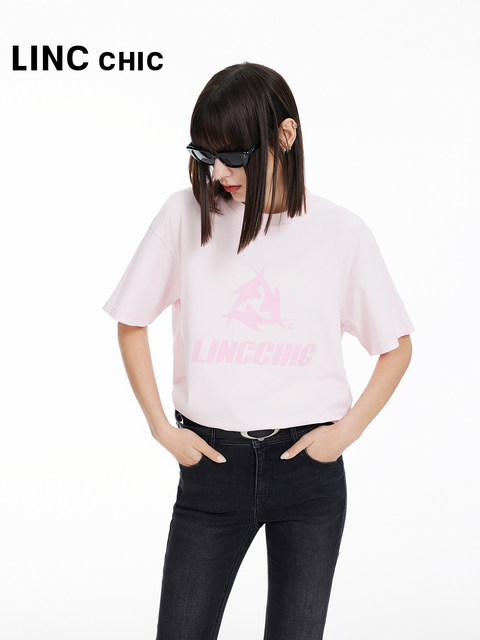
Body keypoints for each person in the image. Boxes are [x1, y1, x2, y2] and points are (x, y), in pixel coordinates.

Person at [102, 62, 415, 640]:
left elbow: (396, 347)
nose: (219, 173)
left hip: (308, 471)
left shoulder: (341, 232)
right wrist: (160, 429)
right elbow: (131, 320)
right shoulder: (184, 215)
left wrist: (344, 434)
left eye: (234, 156)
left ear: (285, 136)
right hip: (211, 467)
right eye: (206, 156)